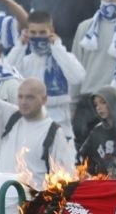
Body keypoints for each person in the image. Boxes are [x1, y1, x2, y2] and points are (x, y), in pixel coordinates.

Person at [6, 11, 85, 140]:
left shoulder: (64, 58)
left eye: (42, 32)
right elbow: (6, 75)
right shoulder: (25, 61)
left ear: (51, 31)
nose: (38, 36)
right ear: (27, 33)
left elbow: (77, 78)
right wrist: (19, 47)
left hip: (60, 130)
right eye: (33, 33)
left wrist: (58, 48)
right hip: (30, 130)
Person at [71, 0, 116, 148]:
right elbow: (74, 67)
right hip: (88, 99)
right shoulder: (85, 27)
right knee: (82, 155)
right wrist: (72, 104)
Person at [0, 78, 76, 189]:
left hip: (29, 203)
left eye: (30, 97)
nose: (23, 102)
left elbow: (66, 178)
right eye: (20, 96)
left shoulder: (53, 132)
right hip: (0, 201)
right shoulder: (10, 117)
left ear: (44, 100)